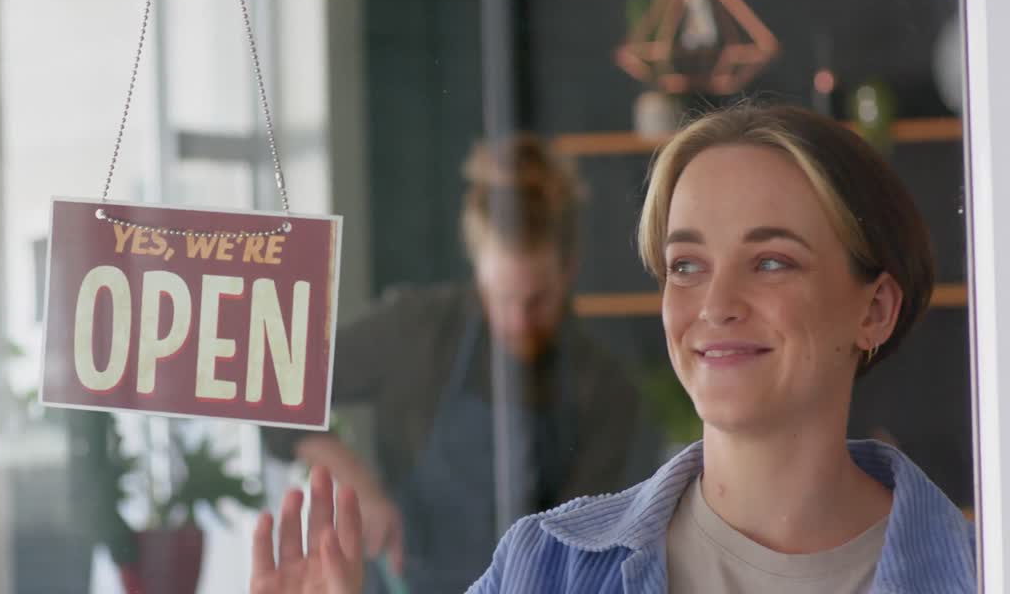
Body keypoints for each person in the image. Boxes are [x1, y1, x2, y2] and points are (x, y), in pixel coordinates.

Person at [250, 103, 978, 594]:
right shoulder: (548, 567)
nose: (715, 305)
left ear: (874, 309)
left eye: (771, 261)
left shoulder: (980, 571)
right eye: (687, 265)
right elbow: (272, 372)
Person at [260, 134, 647, 592]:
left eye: (537, 300)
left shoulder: (604, 388)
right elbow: (272, 382)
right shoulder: (415, 329)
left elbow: (585, 558)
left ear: (570, 269)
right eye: (502, 298)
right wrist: (354, 481)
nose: (519, 321)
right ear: (477, 268)